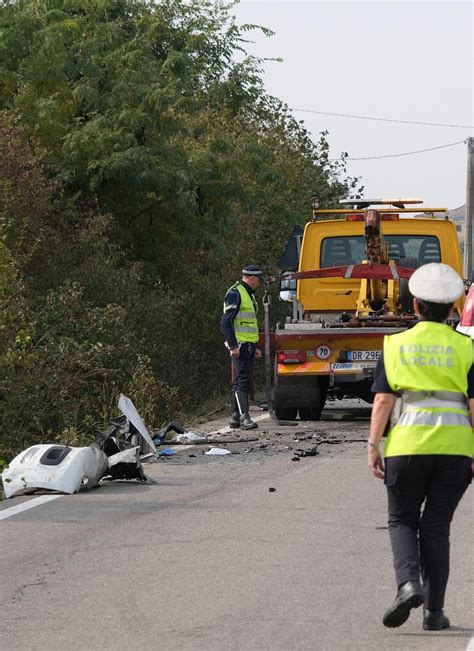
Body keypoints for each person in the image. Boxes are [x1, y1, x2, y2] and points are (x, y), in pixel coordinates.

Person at [368, 263, 473, 631]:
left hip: (406, 450)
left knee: (401, 520)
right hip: (456, 452)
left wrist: (373, 446)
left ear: (414, 305)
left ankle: (408, 584)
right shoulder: (466, 348)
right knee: (437, 527)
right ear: (451, 308)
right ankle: (434, 613)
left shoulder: (395, 344)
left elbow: (383, 401)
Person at [221, 265, 263, 430]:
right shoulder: (236, 293)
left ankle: (235, 416)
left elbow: (249, 323)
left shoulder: (248, 295)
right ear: (252, 278)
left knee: (241, 379)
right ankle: (245, 417)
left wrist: (255, 345)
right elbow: (226, 321)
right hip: (240, 345)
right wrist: (233, 345)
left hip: (248, 344)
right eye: (259, 278)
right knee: (242, 380)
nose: (260, 282)